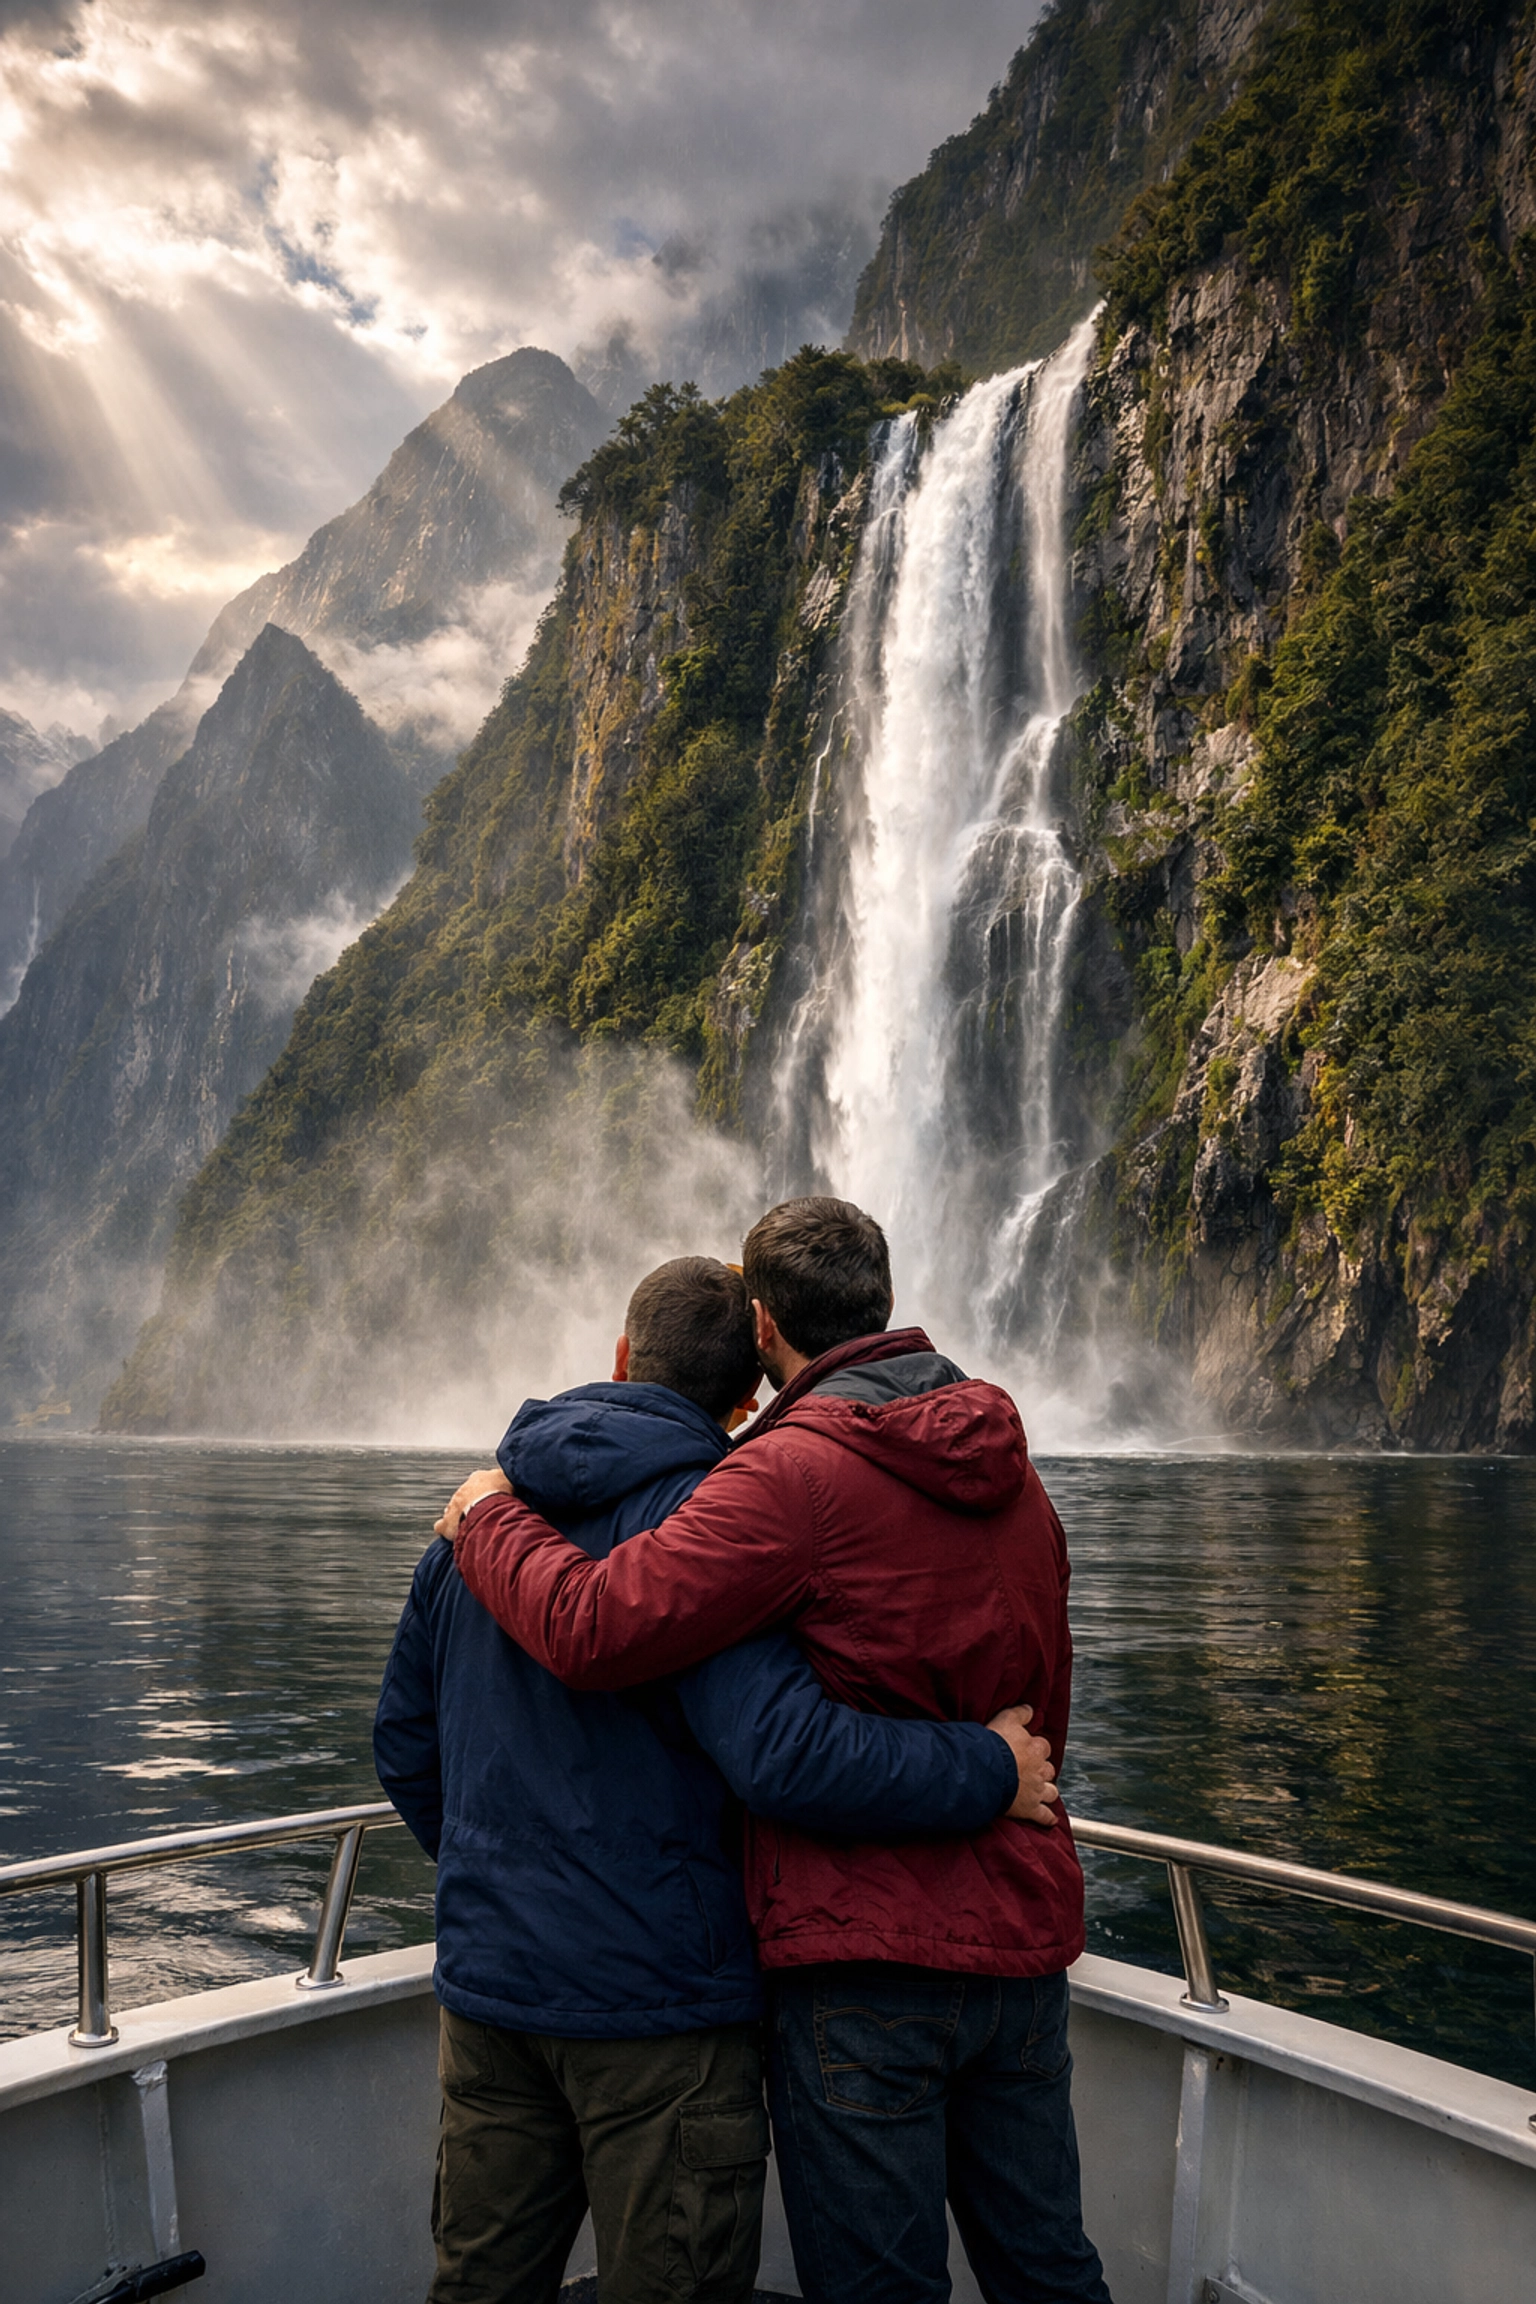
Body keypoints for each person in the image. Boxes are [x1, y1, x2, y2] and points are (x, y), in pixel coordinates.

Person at [445, 1201, 1113, 2304]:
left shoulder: (782, 1477)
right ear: (885, 1299)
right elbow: (1045, 1705)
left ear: (764, 1325)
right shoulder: (1020, 1473)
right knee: (1051, 2271)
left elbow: (599, 1627)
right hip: (1023, 1946)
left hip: (866, 1962)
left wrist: (489, 1519)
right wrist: (995, 1774)